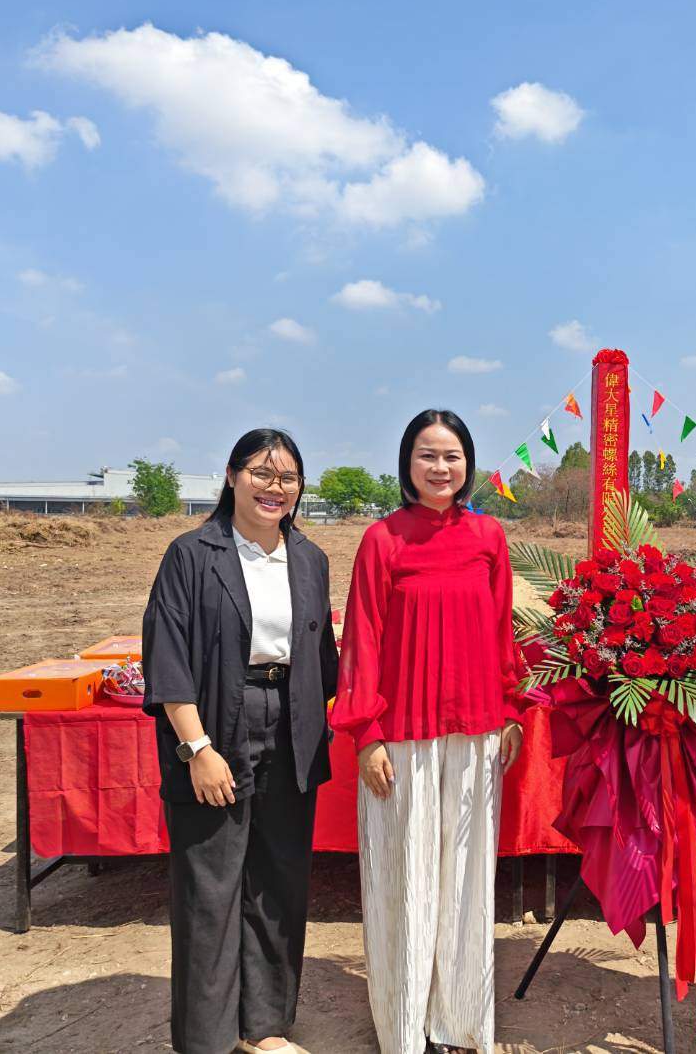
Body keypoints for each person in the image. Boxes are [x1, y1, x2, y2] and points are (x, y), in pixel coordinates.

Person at [330, 409, 527, 1054]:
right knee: (408, 881)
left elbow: (503, 632)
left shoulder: (489, 537)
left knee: (468, 883)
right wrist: (367, 733)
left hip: (475, 734)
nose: (440, 468)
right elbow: (360, 639)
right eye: (426, 456)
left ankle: (461, 1022)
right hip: (402, 737)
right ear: (406, 464)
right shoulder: (383, 540)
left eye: (451, 456)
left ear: (468, 463)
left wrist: (512, 710)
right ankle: (406, 1026)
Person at [142, 428, 339, 1054]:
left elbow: (324, 658)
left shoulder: (309, 558)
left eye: (286, 477)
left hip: (291, 722)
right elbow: (167, 656)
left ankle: (266, 1026)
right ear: (231, 477)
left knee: (280, 879)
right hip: (216, 723)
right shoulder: (192, 554)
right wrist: (196, 749)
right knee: (211, 887)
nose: (273, 487)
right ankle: (205, 1038)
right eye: (260, 472)